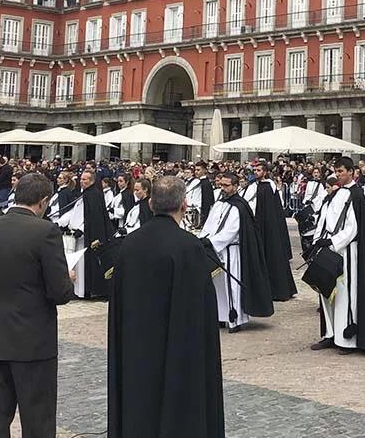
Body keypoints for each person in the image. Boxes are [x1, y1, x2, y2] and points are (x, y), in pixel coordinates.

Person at [108, 175, 224, 438]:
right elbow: (201, 310)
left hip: (136, 345)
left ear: (151, 204)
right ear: (184, 205)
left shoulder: (130, 243)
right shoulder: (190, 246)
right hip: (178, 351)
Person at [0, 173, 75, 438]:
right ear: (43, 201)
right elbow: (60, 293)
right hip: (33, 342)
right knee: (38, 420)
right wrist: (67, 279)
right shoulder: (45, 231)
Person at [309, 157, 365, 356]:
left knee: (345, 294)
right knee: (327, 292)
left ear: (352, 172)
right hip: (330, 249)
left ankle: (347, 338)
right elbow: (325, 218)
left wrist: (333, 242)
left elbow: (353, 227)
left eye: (341, 171)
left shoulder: (356, 195)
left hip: (347, 251)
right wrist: (319, 240)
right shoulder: (337, 194)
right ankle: (330, 333)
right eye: (336, 171)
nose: (338, 175)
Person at [198, 170, 274, 332]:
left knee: (232, 286)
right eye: (221, 185)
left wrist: (211, 241)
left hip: (231, 251)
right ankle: (220, 316)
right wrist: (203, 238)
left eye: (226, 185)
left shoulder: (240, 206)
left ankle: (235, 318)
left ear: (235, 186)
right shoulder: (219, 204)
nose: (223, 188)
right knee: (217, 285)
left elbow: (231, 231)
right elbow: (210, 224)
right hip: (215, 250)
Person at [243, 163, 297, 301]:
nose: (256, 172)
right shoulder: (252, 185)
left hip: (268, 227)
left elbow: (270, 210)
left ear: (265, 172)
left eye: (259, 170)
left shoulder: (268, 186)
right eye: (254, 170)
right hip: (258, 225)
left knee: (272, 256)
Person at [62, 169, 110, 300]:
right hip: (77, 235)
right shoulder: (84, 194)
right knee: (77, 264)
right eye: (81, 179)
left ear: (92, 180)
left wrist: (82, 229)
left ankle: (85, 291)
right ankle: (78, 291)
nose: (82, 182)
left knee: (84, 264)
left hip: (87, 236)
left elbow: (93, 218)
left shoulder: (94, 195)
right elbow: (75, 211)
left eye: (85, 179)